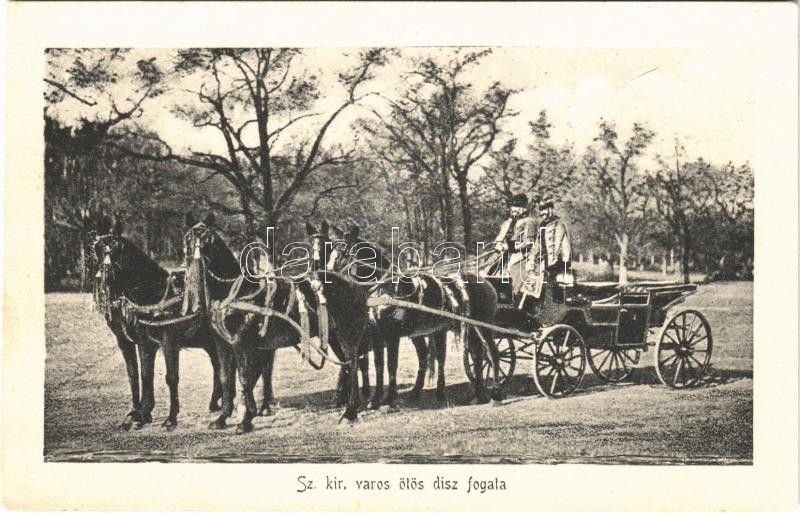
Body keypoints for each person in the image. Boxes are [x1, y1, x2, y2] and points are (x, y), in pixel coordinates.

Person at [520, 194, 573, 303]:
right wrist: (532, 257)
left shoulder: (559, 224)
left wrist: (560, 263)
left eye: (544, 209)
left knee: (556, 289)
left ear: (551, 209)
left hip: (557, 263)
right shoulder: (543, 225)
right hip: (545, 262)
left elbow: (562, 246)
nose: (542, 213)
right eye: (541, 210)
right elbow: (538, 243)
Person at [487, 193, 536, 277]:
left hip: (519, 254)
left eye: (518, 206)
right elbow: (499, 238)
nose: (514, 209)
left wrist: (509, 246)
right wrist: (498, 244)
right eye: (513, 206)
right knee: (488, 270)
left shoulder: (529, 222)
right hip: (502, 254)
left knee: (511, 270)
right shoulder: (507, 223)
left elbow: (528, 242)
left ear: (524, 208)